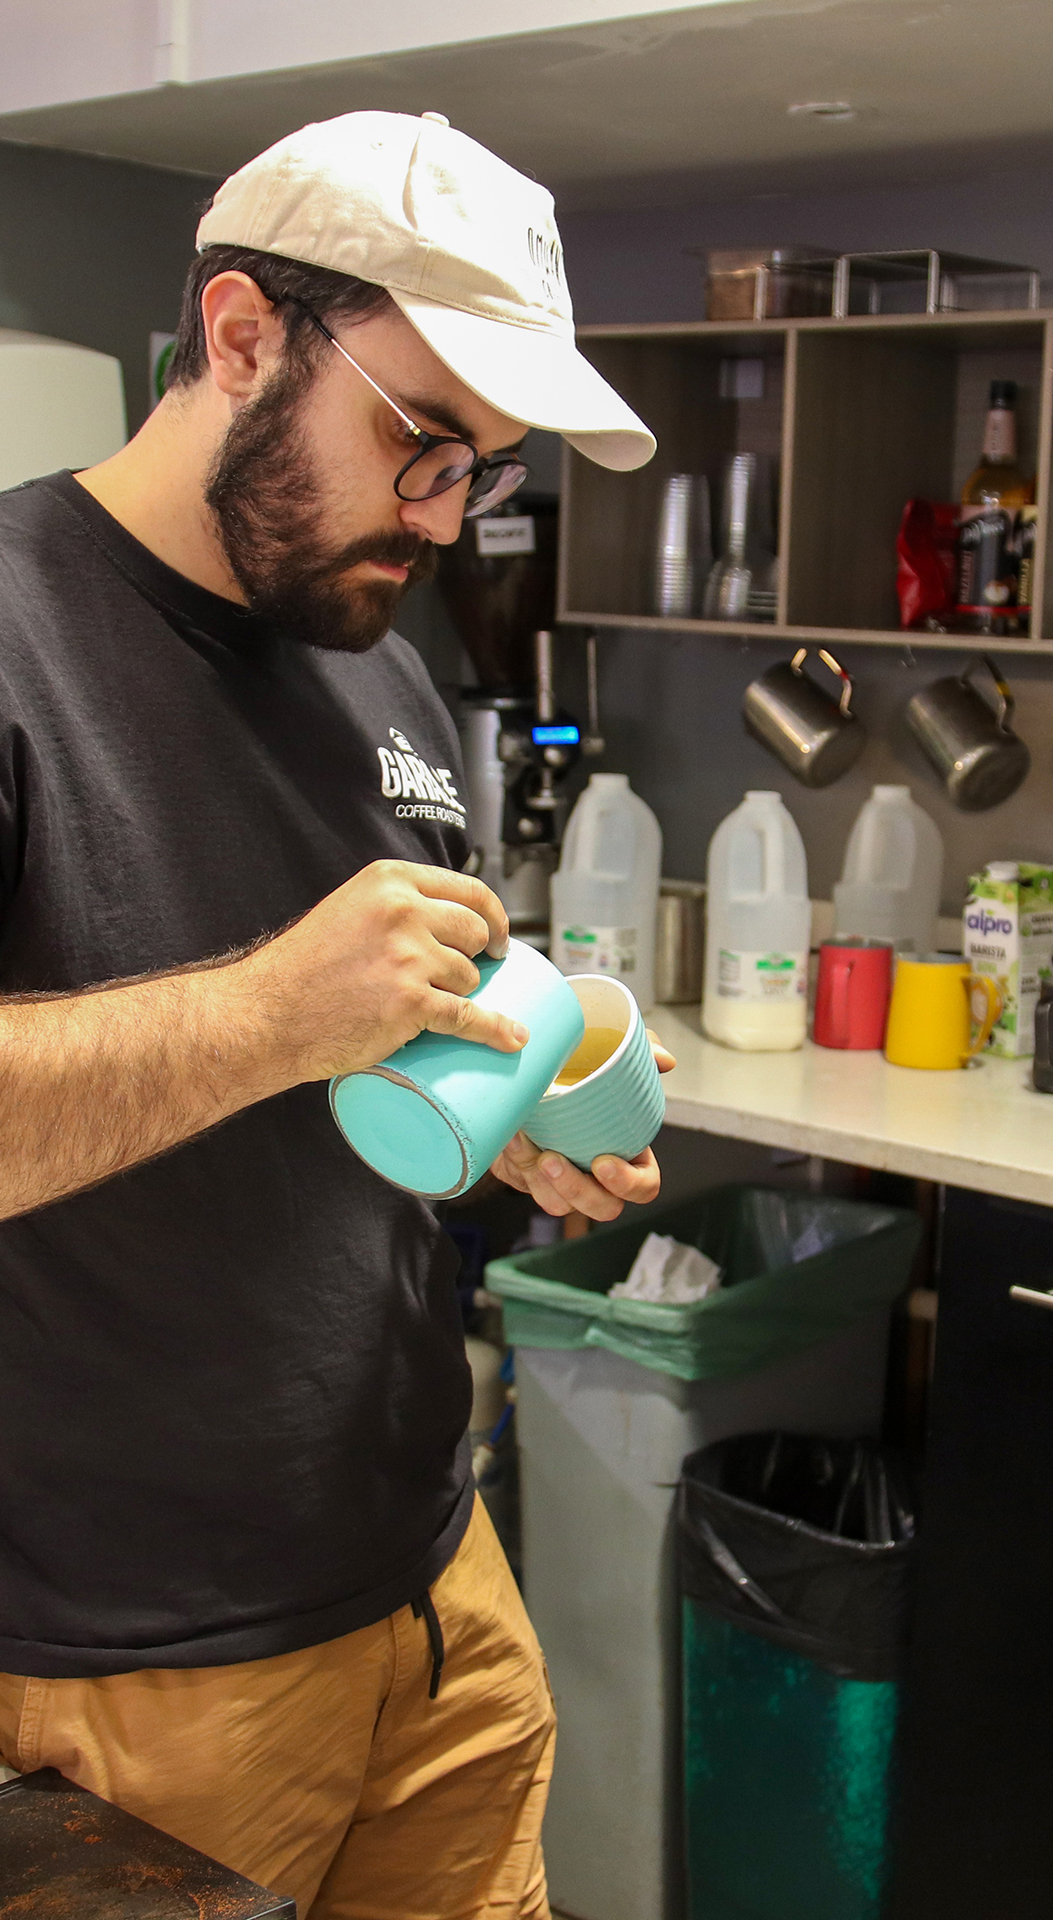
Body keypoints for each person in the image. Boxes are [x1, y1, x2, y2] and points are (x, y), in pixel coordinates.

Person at [0, 111, 666, 1916]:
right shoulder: (13, 642)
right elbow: (285, 1021)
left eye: (490, 470)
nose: (447, 519)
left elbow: (386, 1040)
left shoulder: (378, 645)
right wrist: (274, 1012)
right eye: (422, 441)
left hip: (431, 1584)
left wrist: (505, 1104)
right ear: (239, 336)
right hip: (130, 1661)